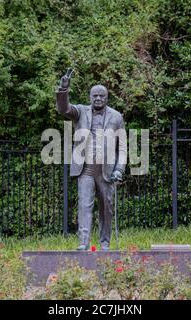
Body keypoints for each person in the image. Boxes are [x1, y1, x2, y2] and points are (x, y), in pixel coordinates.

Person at [56, 69, 127, 251]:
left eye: (101, 96)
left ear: (107, 98)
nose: (98, 99)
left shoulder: (116, 117)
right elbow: (64, 109)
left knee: (106, 208)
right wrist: (64, 88)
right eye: (95, 95)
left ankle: (105, 243)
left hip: (107, 170)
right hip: (85, 168)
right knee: (84, 205)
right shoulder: (80, 112)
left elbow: (122, 147)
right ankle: (83, 242)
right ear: (90, 97)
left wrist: (119, 169)